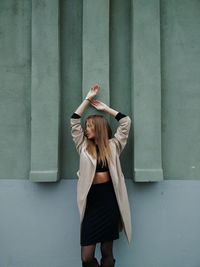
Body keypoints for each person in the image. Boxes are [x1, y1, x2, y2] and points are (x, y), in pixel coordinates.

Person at [70, 85, 132, 267]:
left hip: (110, 201)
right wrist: (88, 99)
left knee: (107, 251)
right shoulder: (82, 146)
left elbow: (126, 122)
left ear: (99, 128)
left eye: (89, 127)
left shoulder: (113, 146)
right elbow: (74, 120)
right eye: (86, 126)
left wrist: (105, 109)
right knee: (87, 257)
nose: (86, 130)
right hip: (91, 202)